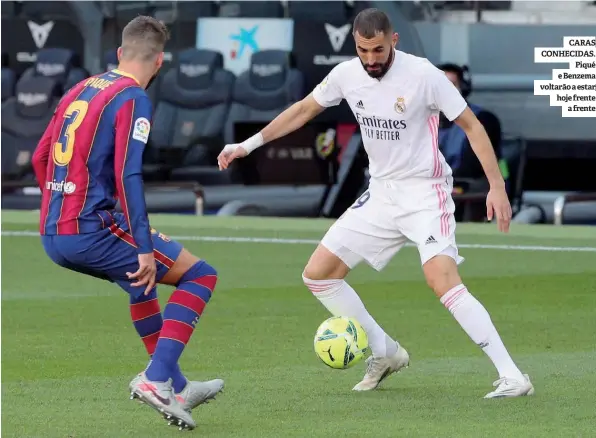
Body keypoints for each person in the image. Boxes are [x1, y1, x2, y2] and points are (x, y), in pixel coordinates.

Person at [218, 8, 534, 399]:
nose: (371, 59)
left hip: (425, 192)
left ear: (394, 41)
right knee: (318, 274)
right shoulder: (347, 74)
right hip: (382, 193)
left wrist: (496, 186)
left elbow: (472, 125)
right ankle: (385, 352)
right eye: (364, 50)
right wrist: (247, 145)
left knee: (441, 280)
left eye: (378, 50)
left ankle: (512, 376)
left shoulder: (424, 75)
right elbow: (302, 110)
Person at [31, 16, 223, 430]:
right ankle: (156, 379)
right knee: (201, 276)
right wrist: (142, 246)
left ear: (119, 53)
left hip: (53, 232)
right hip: (89, 228)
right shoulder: (133, 98)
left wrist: (58, 206)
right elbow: (127, 176)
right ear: (160, 61)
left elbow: (40, 158)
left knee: (141, 283)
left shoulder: (81, 88)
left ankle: (178, 385)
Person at [436, 63, 504, 182]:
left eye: (450, 85)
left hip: (471, 192)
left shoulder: (484, 120)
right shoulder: (421, 121)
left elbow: (471, 170)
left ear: (463, 89)